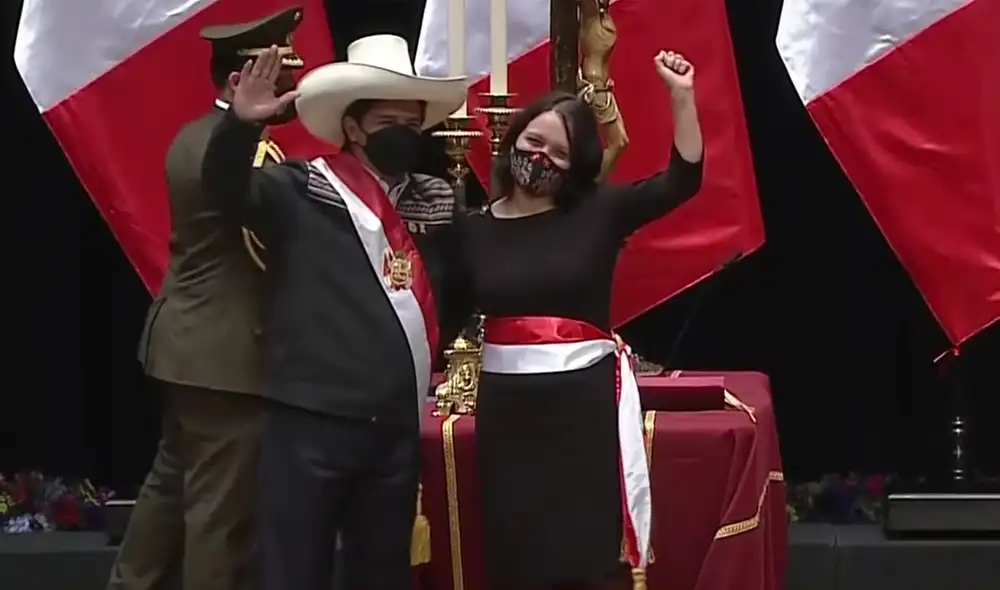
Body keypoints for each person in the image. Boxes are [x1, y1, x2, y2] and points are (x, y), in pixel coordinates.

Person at [199, 35, 466, 590]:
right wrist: (240, 126)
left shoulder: (437, 201)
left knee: (383, 573)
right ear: (353, 127)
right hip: (310, 422)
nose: (403, 133)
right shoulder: (300, 188)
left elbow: (456, 289)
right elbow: (223, 193)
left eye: (412, 123)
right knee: (293, 572)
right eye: (388, 120)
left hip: (393, 430)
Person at [449, 51, 705, 590]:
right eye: (534, 142)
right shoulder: (470, 231)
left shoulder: (600, 212)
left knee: (582, 559)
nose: (540, 157)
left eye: (558, 152)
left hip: (579, 411)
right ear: (512, 138)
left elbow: (681, 182)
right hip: (507, 414)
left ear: (576, 165)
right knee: (517, 556)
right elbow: (440, 315)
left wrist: (681, 96)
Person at [107, 7, 307, 590]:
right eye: (278, 67)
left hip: (191, 347)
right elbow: (263, 245)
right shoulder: (228, 148)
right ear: (245, 80)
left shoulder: (198, 135)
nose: (291, 79)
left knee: (170, 487)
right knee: (222, 515)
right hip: (225, 358)